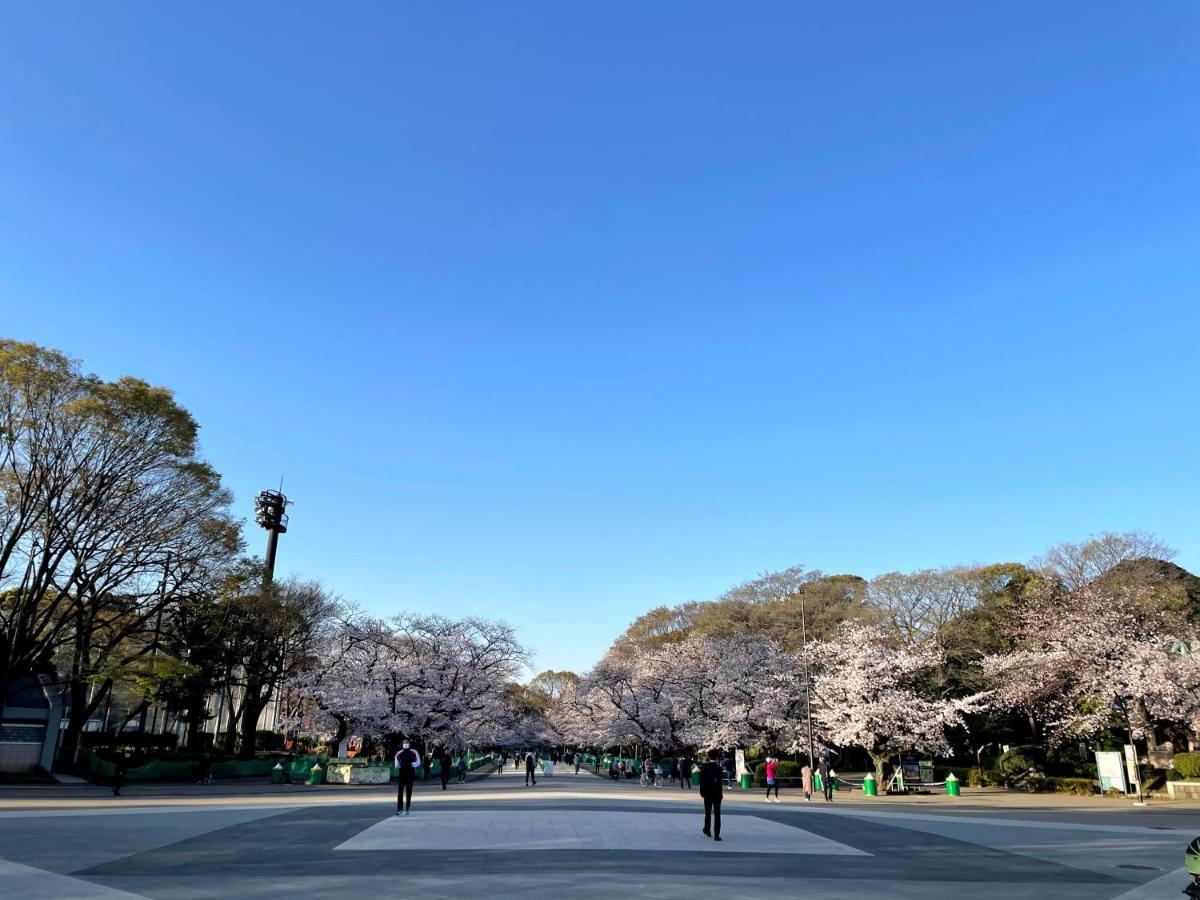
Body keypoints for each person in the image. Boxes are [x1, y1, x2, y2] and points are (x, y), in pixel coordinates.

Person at [698, 749, 723, 841]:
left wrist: (702, 792)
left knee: (707, 812)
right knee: (717, 814)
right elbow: (720, 783)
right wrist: (720, 794)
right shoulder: (719, 768)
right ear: (717, 757)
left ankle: (707, 830)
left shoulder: (705, 767)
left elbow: (702, 782)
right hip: (717, 794)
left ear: (708, 756)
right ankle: (717, 834)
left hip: (707, 793)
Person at [395, 740, 421, 816]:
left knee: (409, 792)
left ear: (409, 744)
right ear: (402, 744)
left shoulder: (414, 752)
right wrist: (399, 765)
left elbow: (418, 762)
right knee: (400, 792)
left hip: (410, 773)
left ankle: (407, 808)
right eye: (404, 743)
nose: (405, 744)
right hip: (402, 773)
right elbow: (396, 763)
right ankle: (399, 809)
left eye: (407, 743)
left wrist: (411, 764)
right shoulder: (399, 753)